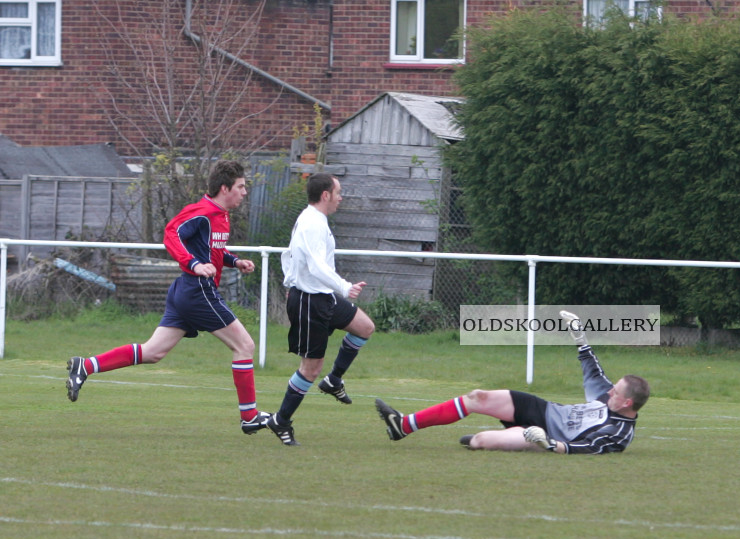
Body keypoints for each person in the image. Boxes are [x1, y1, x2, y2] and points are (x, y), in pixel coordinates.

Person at [66, 159, 270, 436]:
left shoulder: (220, 215)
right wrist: (194, 264)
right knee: (245, 346)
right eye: (241, 187)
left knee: (153, 352)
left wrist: (234, 262)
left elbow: (212, 250)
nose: (245, 192)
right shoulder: (203, 211)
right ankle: (249, 416)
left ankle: (86, 365)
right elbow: (171, 233)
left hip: (186, 290)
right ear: (225, 188)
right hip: (198, 291)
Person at [375, 311, 649, 454]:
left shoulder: (618, 431)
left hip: (543, 437)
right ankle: (404, 425)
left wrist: (549, 444)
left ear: (627, 402)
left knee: (480, 442)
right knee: (478, 396)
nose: (610, 390)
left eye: (616, 392)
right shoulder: (608, 397)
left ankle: (502, 438)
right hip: (543, 410)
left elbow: (588, 448)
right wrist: (579, 336)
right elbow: (592, 370)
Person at [266, 173, 376, 446]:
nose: (341, 197)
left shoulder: (316, 220)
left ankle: (334, 381)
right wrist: (343, 286)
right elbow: (316, 266)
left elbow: (294, 258)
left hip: (323, 297)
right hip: (309, 302)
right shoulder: (312, 224)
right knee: (310, 369)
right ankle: (281, 420)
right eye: (338, 192)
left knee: (364, 327)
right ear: (325, 195)